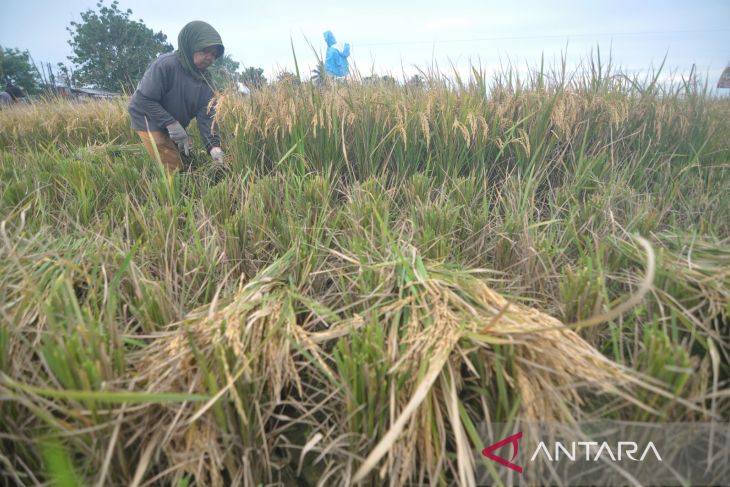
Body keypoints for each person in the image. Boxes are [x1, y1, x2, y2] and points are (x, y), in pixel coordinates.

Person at [128, 20, 225, 171]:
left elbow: (207, 117)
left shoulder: (206, 81)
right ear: (191, 45)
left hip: (175, 124)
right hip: (148, 119)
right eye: (205, 51)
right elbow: (143, 99)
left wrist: (214, 147)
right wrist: (171, 123)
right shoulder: (166, 65)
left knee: (187, 160)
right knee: (173, 165)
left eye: (214, 55)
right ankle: (171, 192)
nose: (210, 58)